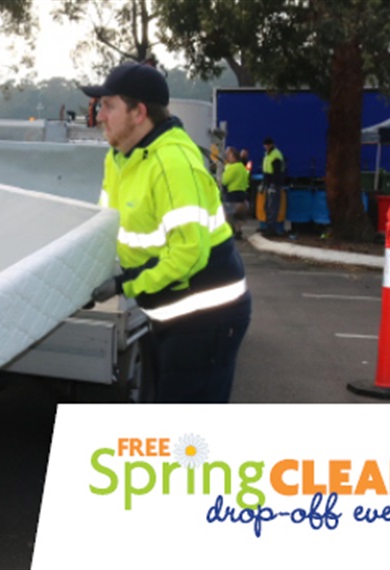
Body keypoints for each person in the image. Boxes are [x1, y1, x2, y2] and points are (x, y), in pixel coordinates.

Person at [81, 61, 252, 403]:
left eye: (109, 106)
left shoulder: (172, 163)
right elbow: (108, 223)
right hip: (169, 313)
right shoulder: (119, 158)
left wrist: (124, 284)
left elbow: (188, 253)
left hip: (206, 318)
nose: (100, 115)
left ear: (138, 113)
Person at [221, 146, 251, 239]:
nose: (228, 158)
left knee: (229, 213)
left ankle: (229, 232)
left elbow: (224, 181)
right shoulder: (242, 167)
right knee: (239, 214)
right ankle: (238, 231)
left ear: (234, 157)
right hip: (242, 193)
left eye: (229, 156)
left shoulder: (232, 167)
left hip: (232, 193)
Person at [262, 137, 287, 235]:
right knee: (268, 207)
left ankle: (271, 229)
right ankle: (269, 227)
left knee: (272, 207)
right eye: (265, 145)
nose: (266, 147)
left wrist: (272, 184)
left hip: (273, 185)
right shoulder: (268, 155)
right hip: (269, 185)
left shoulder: (275, 155)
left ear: (271, 145)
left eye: (267, 145)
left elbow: (277, 173)